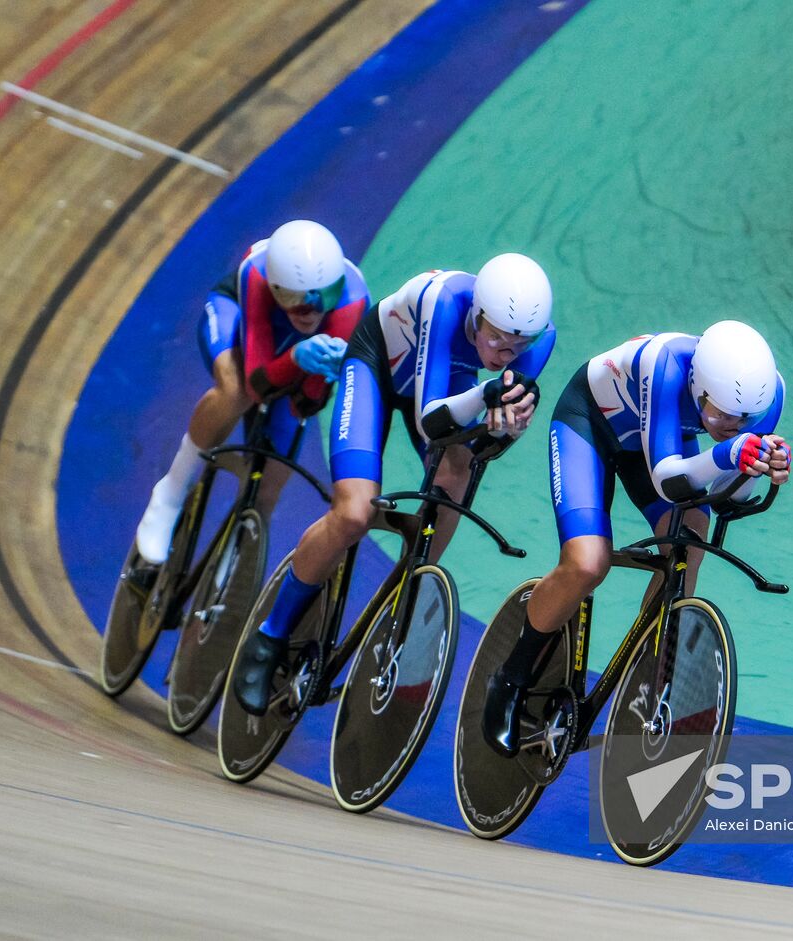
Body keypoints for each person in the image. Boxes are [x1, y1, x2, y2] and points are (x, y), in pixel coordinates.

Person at [232, 253, 558, 715]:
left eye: (517, 346)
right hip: (376, 370)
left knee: (459, 469)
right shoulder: (444, 304)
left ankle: (408, 589)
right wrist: (486, 398)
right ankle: (269, 637)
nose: (504, 355)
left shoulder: (537, 341)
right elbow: (430, 421)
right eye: (497, 339)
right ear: (476, 314)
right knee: (353, 513)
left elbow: (486, 431)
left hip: (449, 383)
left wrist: (504, 428)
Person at [482, 320, 792, 756]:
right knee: (588, 562)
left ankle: (646, 685)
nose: (732, 424)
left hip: (657, 439)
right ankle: (511, 678)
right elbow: (667, 479)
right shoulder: (665, 366)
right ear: (697, 385)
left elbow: (729, 497)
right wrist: (729, 454)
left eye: (744, 419)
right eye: (720, 413)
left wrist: (763, 467)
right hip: (588, 426)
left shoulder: (768, 396)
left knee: (689, 540)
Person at [133, 220, 369, 567]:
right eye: (294, 300)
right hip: (237, 318)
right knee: (234, 392)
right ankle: (172, 489)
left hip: (287, 355)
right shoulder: (255, 275)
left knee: (274, 474)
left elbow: (307, 404)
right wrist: (295, 358)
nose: (312, 312)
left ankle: (232, 567)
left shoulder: (352, 300)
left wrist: (317, 376)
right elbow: (257, 384)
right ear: (274, 287)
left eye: (323, 298)